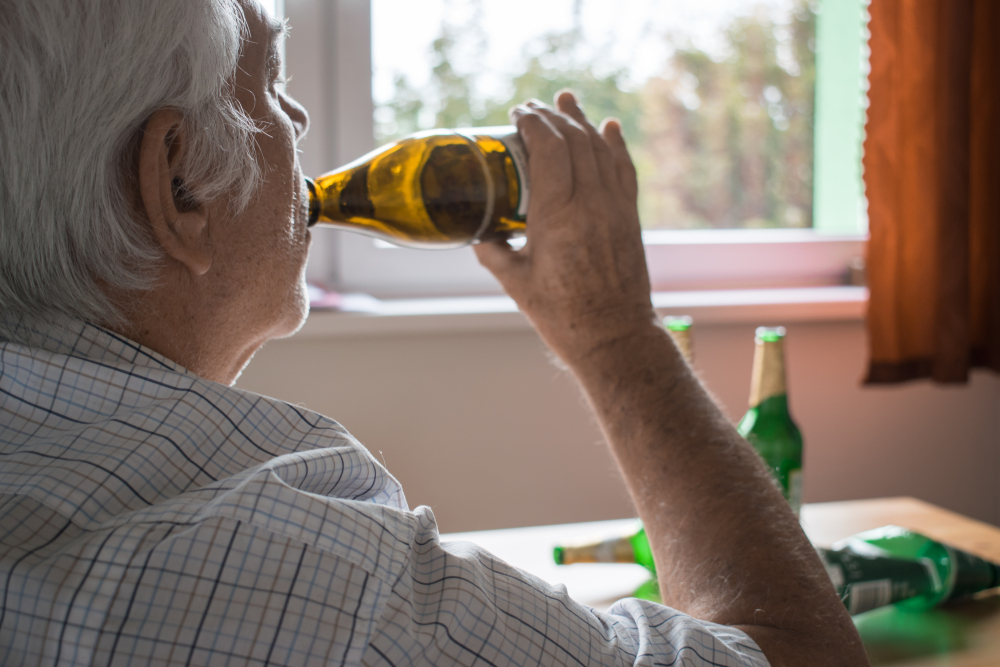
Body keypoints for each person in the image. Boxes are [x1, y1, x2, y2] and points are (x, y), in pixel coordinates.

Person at [0, 0, 868, 665]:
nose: (299, 125)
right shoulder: (311, 585)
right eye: (269, 87)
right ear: (179, 184)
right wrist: (616, 339)